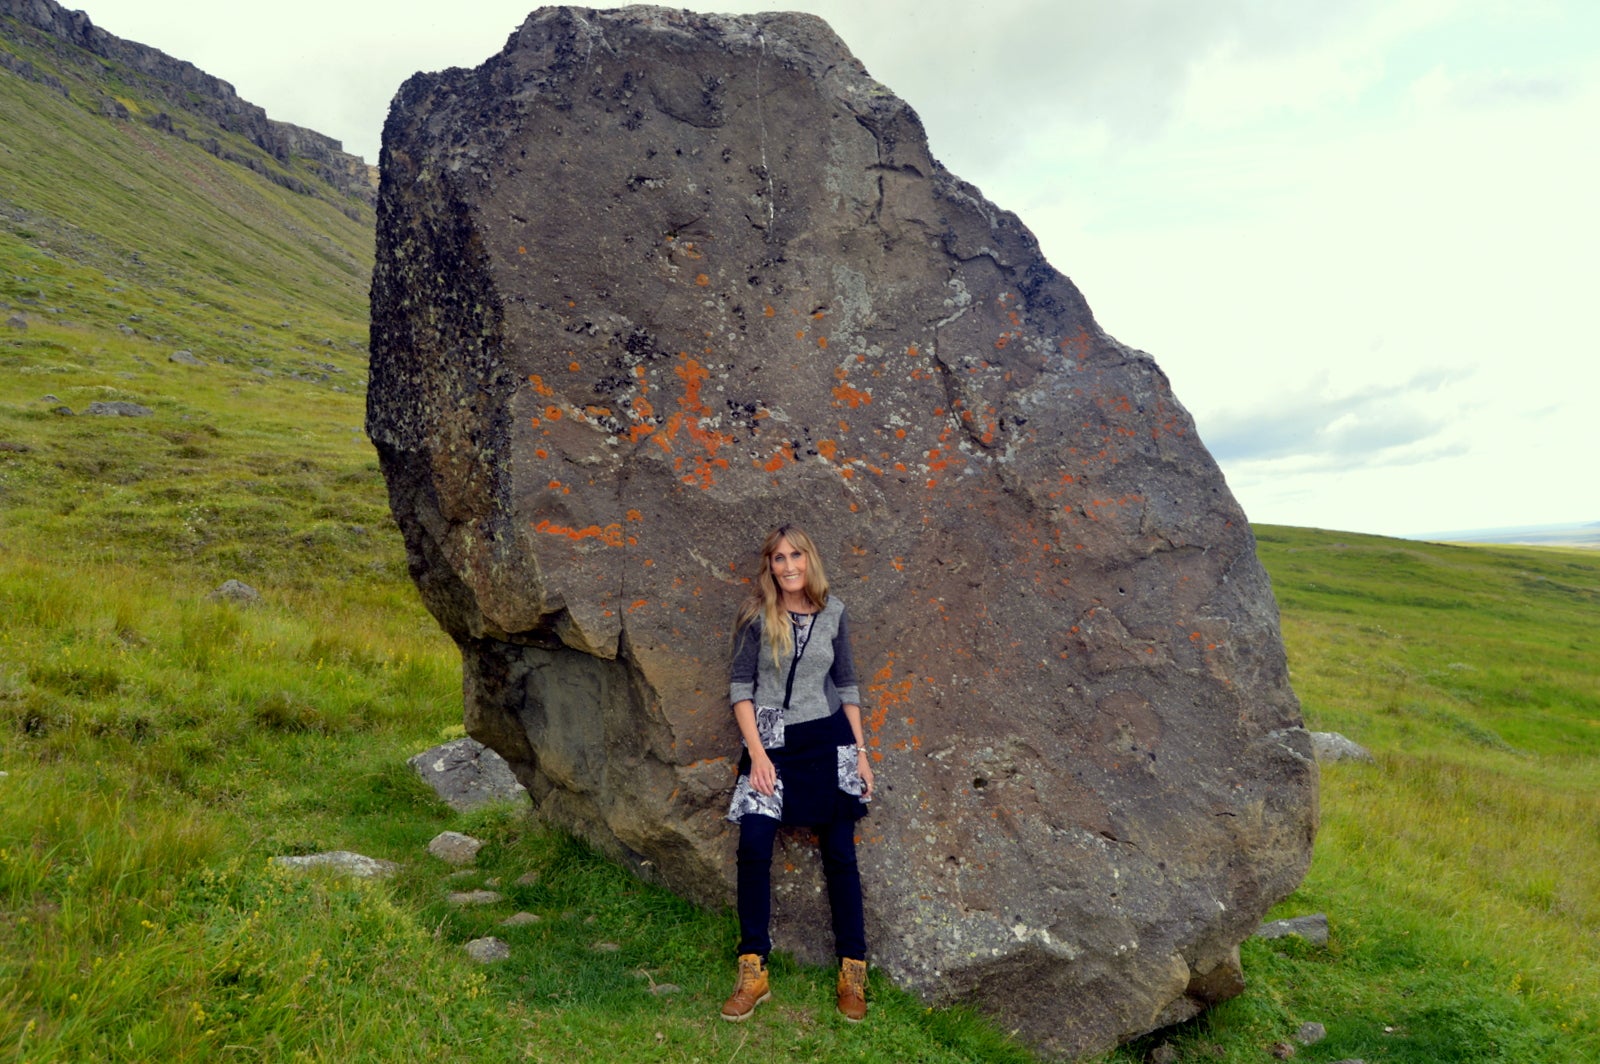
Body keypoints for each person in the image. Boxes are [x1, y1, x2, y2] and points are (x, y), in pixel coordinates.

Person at [720, 525, 875, 1023]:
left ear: (810, 560)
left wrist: (861, 754)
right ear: (769, 565)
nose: (788, 566)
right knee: (754, 844)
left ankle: (853, 969)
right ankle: (753, 968)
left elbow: (846, 683)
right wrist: (758, 755)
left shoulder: (834, 613)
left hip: (831, 739)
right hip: (771, 740)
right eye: (778, 558)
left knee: (839, 853)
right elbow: (741, 687)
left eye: (796, 556)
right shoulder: (755, 614)